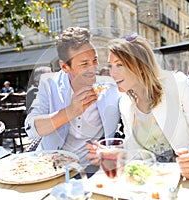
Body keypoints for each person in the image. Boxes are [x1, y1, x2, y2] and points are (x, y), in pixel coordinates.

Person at [86, 34, 189, 179]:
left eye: (119, 65)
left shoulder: (178, 85)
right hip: (152, 181)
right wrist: (112, 153)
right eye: (110, 66)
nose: (112, 73)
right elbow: (134, 150)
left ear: (140, 65)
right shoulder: (125, 102)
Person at [24, 27, 120, 172]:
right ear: (64, 66)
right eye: (84, 64)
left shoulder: (110, 87)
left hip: (94, 167)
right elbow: (31, 128)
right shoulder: (48, 84)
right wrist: (70, 112)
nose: (93, 68)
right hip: (53, 166)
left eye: (94, 60)